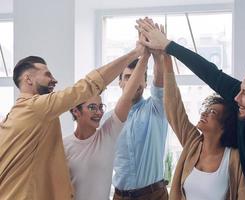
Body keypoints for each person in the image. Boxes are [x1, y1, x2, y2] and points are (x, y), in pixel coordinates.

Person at [136, 18, 245, 199]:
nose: (237, 97)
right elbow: (211, 73)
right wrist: (167, 46)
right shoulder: (242, 112)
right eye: (240, 90)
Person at [0, 43, 144, 200]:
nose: (54, 80)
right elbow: (87, 86)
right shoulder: (35, 108)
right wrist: (136, 52)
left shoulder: (13, 117)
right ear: (28, 79)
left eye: (100, 106)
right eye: (47, 74)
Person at [63, 47, 150, 200]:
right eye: (92, 107)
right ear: (75, 111)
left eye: (100, 106)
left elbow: (127, 95)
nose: (98, 112)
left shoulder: (107, 135)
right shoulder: (64, 146)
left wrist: (143, 55)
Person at [162, 53, 245, 200]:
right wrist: (166, 56)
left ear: (224, 125)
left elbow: (243, 196)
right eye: (206, 110)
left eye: (212, 112)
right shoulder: (193, 144)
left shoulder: (234, 157)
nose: (204, 114)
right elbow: (174, 108)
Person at [112, 35, 168, 199]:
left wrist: (157, 56)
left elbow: (159, 82)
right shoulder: (109, 118)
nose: (134, 82)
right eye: (128, 77)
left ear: (145, 83)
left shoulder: (156, 108)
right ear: (120, 83)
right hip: (119, 196)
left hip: (153, 195)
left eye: (139, 77)